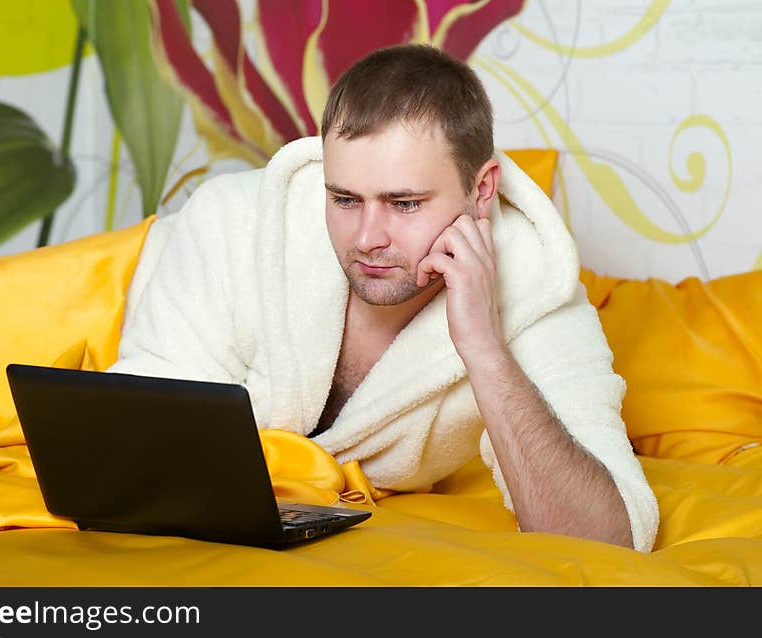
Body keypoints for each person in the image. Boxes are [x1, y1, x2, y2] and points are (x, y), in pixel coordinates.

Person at [108, 44, 659, 552]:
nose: (367, 237)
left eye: (404, 203)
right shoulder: (230, 221)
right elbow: (125, 432)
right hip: (118, 285)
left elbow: (610, 537)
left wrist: (486, 351)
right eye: (345, 199)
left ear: (482, 190)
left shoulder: (536, 285)